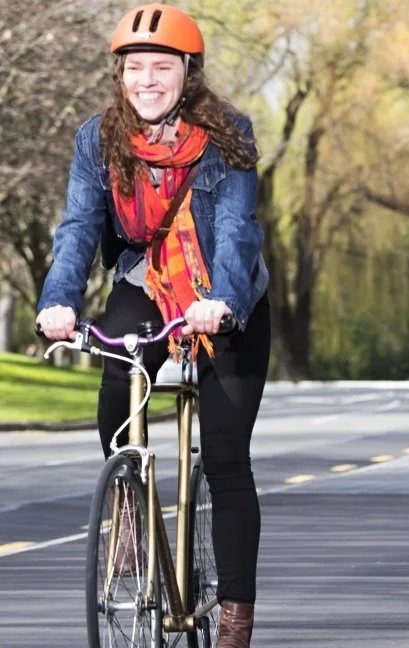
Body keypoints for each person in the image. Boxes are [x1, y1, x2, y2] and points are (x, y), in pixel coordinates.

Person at [34, 4, 270, 645]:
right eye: (134, 66)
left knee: (225, 458)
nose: (147, 79)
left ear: (187, 72)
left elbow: (235, 231)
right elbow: (79, 227)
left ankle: (233, 618)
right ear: (120, 73)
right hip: (146, 282)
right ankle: (130, 504)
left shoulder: (228, 135)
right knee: (116, 396)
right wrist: (57, 303)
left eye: (161, 67)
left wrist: (220, 301)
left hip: (224, 294)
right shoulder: (97, 139)